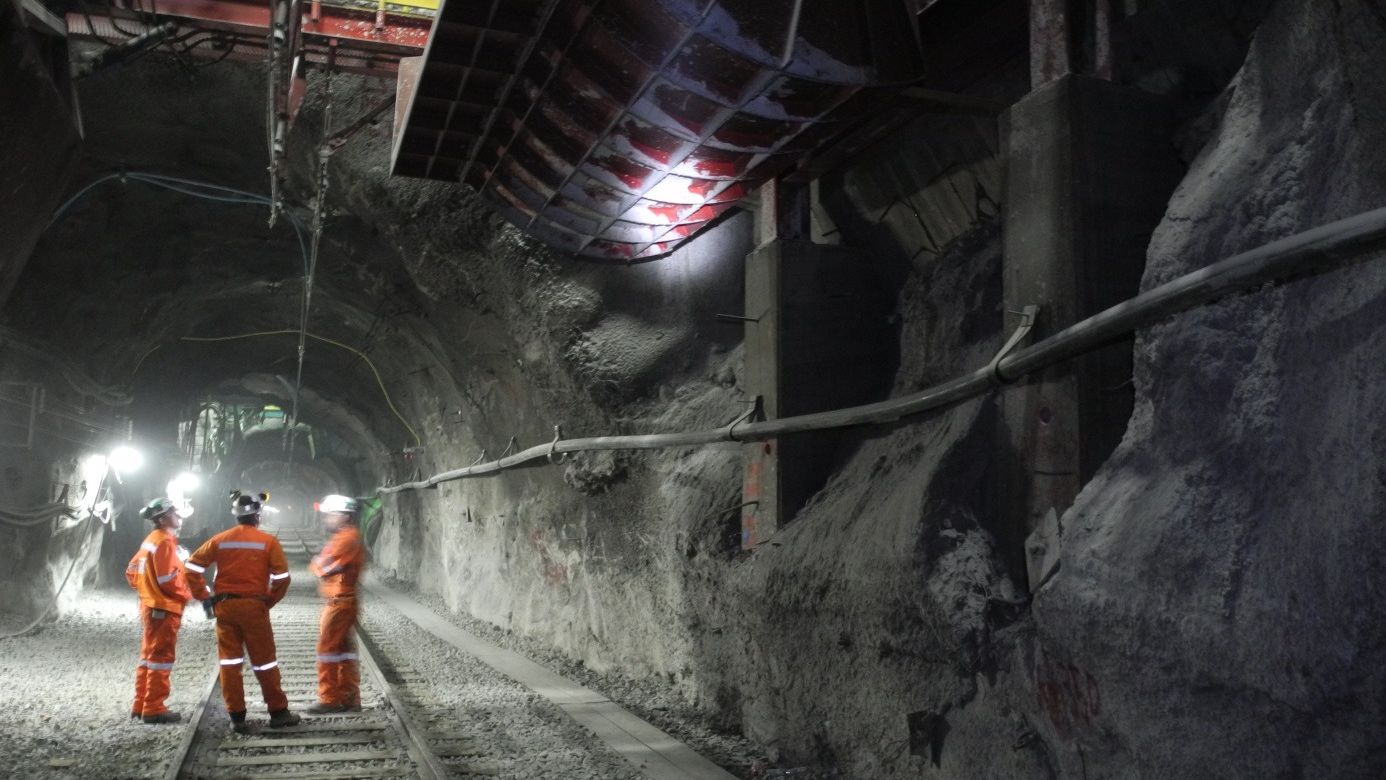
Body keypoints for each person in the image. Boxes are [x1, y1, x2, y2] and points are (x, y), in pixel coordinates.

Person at [184, 491, 301, 733]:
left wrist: (205, 597)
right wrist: (268, 601)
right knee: (265, 663)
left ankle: (237, 717)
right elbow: (282, 578)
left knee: (230, 662)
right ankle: (278, 713)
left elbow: (192, 567)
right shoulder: (268, 542)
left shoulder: (220, 539)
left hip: (225, 607)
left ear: (235, 516)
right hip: (254, 607)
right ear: (258, 515)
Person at [125, 497, 193, 724]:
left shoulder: (151, 539)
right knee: (161, 657)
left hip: (150, 605)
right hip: (164, 608)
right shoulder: (164, 542)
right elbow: (167, 579)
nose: (179, 516)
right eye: (174, 513)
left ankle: (140, 703)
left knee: (148, 657)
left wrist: (146, 589)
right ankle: (154, 707)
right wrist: (186, 594)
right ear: (163, 518)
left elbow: (131, 571)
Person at [307, 494, 365, 714]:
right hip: (343, 600)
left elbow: (323, 567)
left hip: (339, 601)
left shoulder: (345, 539)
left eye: (331, 514)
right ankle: (350, 699)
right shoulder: (346, 536)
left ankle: (329, 699)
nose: (327, 519)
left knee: (327, 650)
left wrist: (317, 563)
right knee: (344, 651)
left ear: (344, 515)